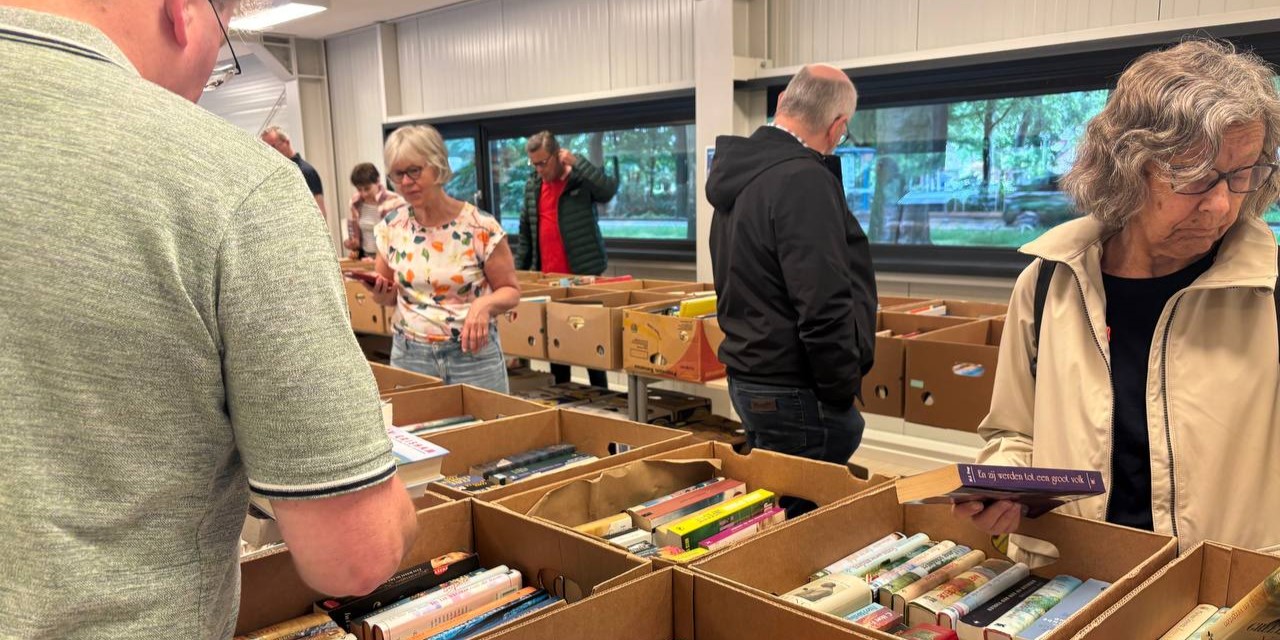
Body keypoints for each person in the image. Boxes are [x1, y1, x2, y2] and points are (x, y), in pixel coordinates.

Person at [0, 1, 418, 638]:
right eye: (221, 56)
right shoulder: (230, 182)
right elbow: (354, 556)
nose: (204, 87)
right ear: (183, 11)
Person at [956, 39, 1280, 554]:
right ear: (1128, 165)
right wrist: (1000, 484)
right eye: (1195, 176)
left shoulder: (1269, 293)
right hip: (1072, 579)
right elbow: (1015, 433)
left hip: (1219, 602)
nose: (1220, 206)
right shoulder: (1048, 284)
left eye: (1242, 176)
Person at [706, 64, 878, 477]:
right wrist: (839, 391)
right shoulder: (802, 179)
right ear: (837, 127)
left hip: (751, 376)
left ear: (782, 101)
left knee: (778, 502)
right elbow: (823, 303)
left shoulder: (742, 173)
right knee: (804, 521)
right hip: (794, 387)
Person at [363, 125, 520, 393]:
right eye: (398, 174)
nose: (406, 182)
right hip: (410, 355)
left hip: (473, 355)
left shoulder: (480, 227)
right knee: (415, 435)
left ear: (437, 167)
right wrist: (379, 293)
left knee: (482, 433)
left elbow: (511, 291)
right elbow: (388, 297)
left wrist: (483, 305)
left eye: (414, 170)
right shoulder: (391, 228)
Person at [516, 131, 617, 388]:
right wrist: (518, 277)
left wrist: (579, 162)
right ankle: (564, 402)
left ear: (558, 155)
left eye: (543, 163)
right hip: (550, 280)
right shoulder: (533, 187)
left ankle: (602, 397)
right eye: (534, 163)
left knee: (592, 348)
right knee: (557, 349)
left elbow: (608, 190)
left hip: (583, 279)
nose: (539, 169)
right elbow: (526, 234)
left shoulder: (579, 181)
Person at [261, 125, 327, 219]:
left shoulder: (306, 172)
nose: (270, 152)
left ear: (286, 142)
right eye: (266, 149)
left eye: (273, 146)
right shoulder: (276, 176)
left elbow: (320, 213)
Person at [345, 162, 404, 260]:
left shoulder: (395, 201)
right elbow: (357, 237)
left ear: (377, 181)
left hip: (389, 258)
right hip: (365, 258)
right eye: (359, 189)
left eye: (367, 188)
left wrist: (380, 259)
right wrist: (353, 245)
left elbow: (401, 238)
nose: (364, 193)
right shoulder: (355, 203)